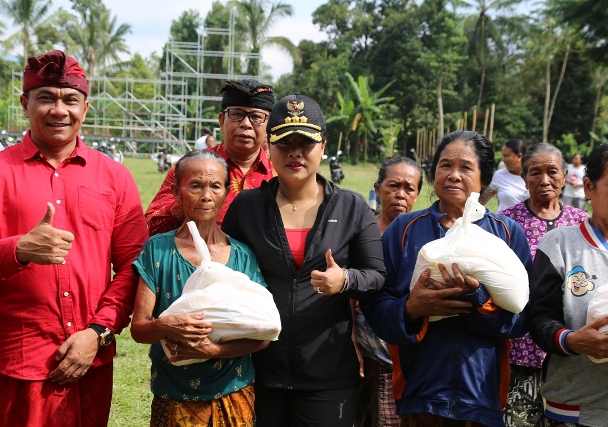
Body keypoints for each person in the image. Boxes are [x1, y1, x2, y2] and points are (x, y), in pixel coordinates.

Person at [0, 50, 148, 426]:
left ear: (86, 106)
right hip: (18, 360)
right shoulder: (2, 171)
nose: (58, 110)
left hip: (90, 360)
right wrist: (16, 250)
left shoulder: (114, 177)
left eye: (69, 99)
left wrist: (98, 331)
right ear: (25, 103)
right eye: (46, 97)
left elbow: (134, 264)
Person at [222, 94, 386, 427]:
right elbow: (225, 273)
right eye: (285, 143)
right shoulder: (247, 207)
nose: (295, 152)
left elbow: (377, 275)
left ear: (323, 146)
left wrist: (346, 281)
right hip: (258, 367)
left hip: (328, 372)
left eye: (306, 143)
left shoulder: (352, 207)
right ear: (269, 147)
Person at [361, 130, 532, 427]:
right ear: (434, 172)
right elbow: (376, 305)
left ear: (484, 177)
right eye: (445, 165)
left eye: (465, 167)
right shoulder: (404, 229)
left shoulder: (506, 233)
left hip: (481, 395)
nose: (453, 175)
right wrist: (412, 308)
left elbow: (522, 317)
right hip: (419, 393)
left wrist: (481, 303)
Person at [130, 150, 269, 426]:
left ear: (226, 192)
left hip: (234, 392)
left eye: (215, 186)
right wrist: (168, 326)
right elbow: (139, 329)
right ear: (177, 193)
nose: (206, 195)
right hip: (174, 393)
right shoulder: (158, 250)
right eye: (195, 185)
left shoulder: (242, 255)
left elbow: (263, 334)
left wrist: (211, 351)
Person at [528, 142, 608, 427]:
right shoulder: (559, 244)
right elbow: (539, 317)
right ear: (588, 187)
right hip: (575, 406)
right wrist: (572, 340)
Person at [498, 143, 589, 427]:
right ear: (524, 179)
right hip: (519, 346)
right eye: (535, 173)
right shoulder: (506, 222)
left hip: (569, 348)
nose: (544, 180)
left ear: (564, 176)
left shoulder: (582, 223)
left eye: (552, 172)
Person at [146, 79, 276, 233]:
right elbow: (151, 224)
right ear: (222, 121)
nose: (246, 123)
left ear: (269, 126)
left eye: (256, 117)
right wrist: (190, 199)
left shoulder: (280, 172)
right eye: (237, 114)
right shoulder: (191, 166)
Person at [355, 157, 423, 427]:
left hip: (405, 354)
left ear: (418, 194)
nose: (400, 194)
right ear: (377, 188)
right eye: (393, 185)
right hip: (366, 349)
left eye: (409, 188)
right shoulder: (361, 232)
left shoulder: (424, 234)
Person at [482, 138, 528, 211]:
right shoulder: (499, 176)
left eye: (506, 156)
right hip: (503, 222)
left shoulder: (532, 177)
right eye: (503, 156)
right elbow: (481, 200)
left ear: (519, 156)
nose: (503, 159)